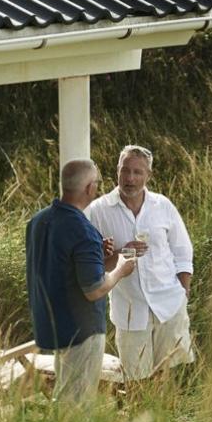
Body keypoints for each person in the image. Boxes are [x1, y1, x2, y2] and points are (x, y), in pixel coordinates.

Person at [27, 159, 137, 403]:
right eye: (96, 183)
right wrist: (121, 269)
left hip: (52, 324)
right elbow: (95, 289)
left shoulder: (39, 221)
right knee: (77, 404)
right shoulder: (82, 230)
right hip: (81, 330)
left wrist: (98, 253)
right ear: (89, 188)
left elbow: (60, 264)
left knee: (65, 394)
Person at [85, 145, 196, 382]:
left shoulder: (162, 206)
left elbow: (183, 251)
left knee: (171, 378)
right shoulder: (98, 211)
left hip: (169, 305)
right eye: (125, 171)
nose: (130, 178)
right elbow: (92, 265)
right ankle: (142, 419)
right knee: (136, 382)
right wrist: (122, 254)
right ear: (117, 171)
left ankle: (167, 419)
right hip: (130, 310)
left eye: (138, 172)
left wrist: (183, 291)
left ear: (149, 176)